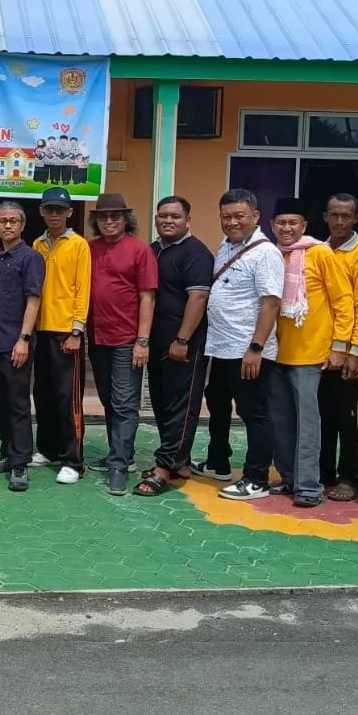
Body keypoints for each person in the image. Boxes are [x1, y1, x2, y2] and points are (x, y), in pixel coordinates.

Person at [268, 197, 354, 507]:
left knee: (308, 424)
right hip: (275, 354)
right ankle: (289, 477)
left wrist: (341, 347)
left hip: (310, 354)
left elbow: (344, 302)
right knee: (280, 421)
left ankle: (308, 487)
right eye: (281, 222)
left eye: (293, 222)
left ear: (304, 226)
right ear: (272, 225)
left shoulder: (320, 254)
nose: (287, 227)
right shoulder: (271, 254)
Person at [206, 189, 283, 502]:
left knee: (254, 413)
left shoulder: (265, 253)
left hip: (247, 350)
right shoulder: (226, 246)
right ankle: (217, 462)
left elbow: (270, 303)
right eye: (227, 217)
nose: (233, 222)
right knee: (218, 404)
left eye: (240, 216)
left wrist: (256, 348)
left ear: (255, 217)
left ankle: (256, 478)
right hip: (222, 347)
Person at [140, 196, 213, 497]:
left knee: (181, 407)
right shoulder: (154, 250)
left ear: (188, 220)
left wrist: (182, 339)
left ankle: (163, 468)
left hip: (184, 345)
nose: (168, 221)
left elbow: (197, 298)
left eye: (175, 216)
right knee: (161, 402)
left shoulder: (196, 253)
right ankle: (179, 462)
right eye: (162, 216)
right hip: (156, 343)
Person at [85, 193, 157, 496]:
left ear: (127, 219)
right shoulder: (88, 249)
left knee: (126, 404)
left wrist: (143, 340)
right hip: (97, 337)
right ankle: (120, 454)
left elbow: (147, 297)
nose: (109, 221)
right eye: (103, 216)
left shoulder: (140, 251)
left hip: (128, 341)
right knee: (109, 400)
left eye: (115, 216)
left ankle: (118, 466)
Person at [0, 201, 44, 492]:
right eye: (2, 221)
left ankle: (20, 464)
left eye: (13, 221)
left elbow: (34, 300)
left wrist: (24, 339)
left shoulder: (30, 257)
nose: (8, 225)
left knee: (18, 404)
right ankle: (7, 452)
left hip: (15, 343)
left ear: (22, 225)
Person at [31, 186, 92, 484]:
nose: (54, 215)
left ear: (69, 212)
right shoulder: (37, 244)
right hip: (41, 330)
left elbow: (83, 289)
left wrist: (77, 330)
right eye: (49, 209)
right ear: (42, 211)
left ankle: (73, 460)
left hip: (67, 332)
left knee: (68, 399)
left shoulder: (79, 245)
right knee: (42, 394)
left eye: (59, 210)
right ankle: (48, 448)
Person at [320, 194, 358, 502]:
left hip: (348, 352)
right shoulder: (320, 250)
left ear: (357, 219)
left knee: (348, 416)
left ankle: (349, 476)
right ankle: (324, 471)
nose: (340, 221)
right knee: (324, 413)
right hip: (320, 351)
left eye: (347, 216)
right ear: (325, 216)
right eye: (334, 215)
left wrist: (354, 351)